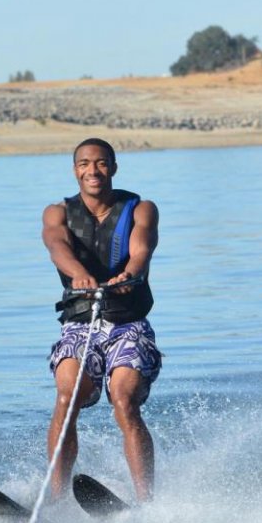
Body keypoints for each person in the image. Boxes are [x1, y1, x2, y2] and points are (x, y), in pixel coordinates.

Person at [42, 138, 162, 503]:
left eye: (101, 163)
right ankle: (57, 500)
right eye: (84, 164)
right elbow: (57, 246)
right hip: (80, 325)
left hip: (128, 325)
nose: (92, 171)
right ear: (74, 169)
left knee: (124, 400)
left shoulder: (141, 208)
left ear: (113, 166)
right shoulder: (56, 213)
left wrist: (130, 273)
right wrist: (78, 274)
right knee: (67, 395)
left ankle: (146, 503)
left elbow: (142, 248)